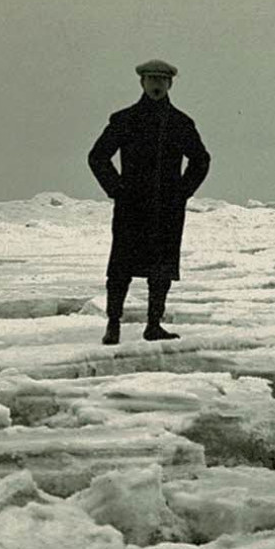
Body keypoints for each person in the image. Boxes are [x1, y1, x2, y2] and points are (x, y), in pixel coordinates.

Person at [87, 58, 211, 344]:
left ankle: (153, 325)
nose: (156, 84)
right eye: (151, 79)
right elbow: (97, 157)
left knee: (161, 270)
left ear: (170, 84)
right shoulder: (125, 119)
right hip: (131, 207)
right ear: (142, 82)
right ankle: (113, 325)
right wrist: (116, 189)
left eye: (161, 80)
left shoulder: (181, 123)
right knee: (121, 268)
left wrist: (182, 192)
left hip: (167, 209)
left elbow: (201, 160)